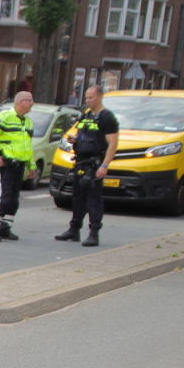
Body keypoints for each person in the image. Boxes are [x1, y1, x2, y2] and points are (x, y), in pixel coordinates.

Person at [55, 85, 119, 247]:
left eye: (91, 97)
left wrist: (104, 165)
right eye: (86, 98)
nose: (88, 100)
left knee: (93, 200)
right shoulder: (86, 115)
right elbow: (81, 134)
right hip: (80, 161)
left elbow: (113, 144)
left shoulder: (107, 117)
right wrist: (73, 140)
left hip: (95, 163)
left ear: (99, 97)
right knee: (77, 197)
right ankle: (74, 230)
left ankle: (93, 233)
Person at [0, 91, 35, 241]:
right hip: (6, 164)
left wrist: (31, 166)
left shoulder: (28, 122)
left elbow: (28, 146)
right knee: (4, 198)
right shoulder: (4, 117)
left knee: (13, 200)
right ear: (20, 102)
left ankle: (5, 227)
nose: (32, 103)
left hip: (20, 165)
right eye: (29, 100)